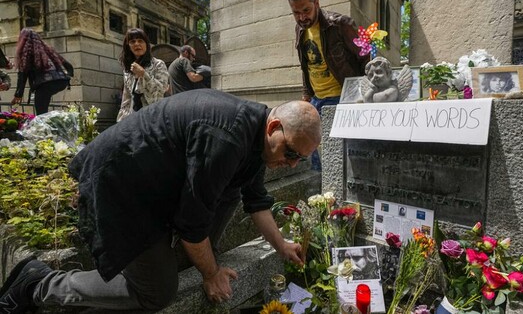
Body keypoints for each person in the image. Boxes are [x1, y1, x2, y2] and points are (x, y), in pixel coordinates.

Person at [0, 89, 321, 313]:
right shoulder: (227, 139)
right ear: (274, 126)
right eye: (291, 153)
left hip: (158, 190)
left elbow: (256, 201)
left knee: (225, 201)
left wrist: (282, 246)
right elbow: (193, 225)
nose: (292, 163)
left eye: (300, 159)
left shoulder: (258, 140)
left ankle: (143, 273)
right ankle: (40, 283)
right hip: (122, 186)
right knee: (158, 292)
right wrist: (210, 274)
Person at [286, 0, 369, 171]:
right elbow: (305, 65)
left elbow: (365, 55)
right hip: (316, 99)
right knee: (307, 144)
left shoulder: (340, 24)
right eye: (296, 13)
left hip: (342, 97)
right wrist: (306, 94)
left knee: (338, 153)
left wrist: (365, 92)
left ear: (316, 2)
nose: (301, 17)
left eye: (306, 10)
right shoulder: (300, 30)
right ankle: (320, 188)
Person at [10, 28, 74, 115]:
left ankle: (48, 126)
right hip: (61, 82)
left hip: (44, 85)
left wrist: (18, 95)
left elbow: (22, 75)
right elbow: (69, 66)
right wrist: (68, 76)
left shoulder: (25, 54)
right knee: (43, 110)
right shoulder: (48, 50)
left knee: (41, 114)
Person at [116, 28, 169, 122]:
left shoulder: (158, 64)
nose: (137, 44)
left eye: (140, 41)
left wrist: (144, 74)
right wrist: (121, 122)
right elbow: (126, 98)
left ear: (146, 44)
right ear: (128, 46)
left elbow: (162, 89)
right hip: (134, 119)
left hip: (154, 117)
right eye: (132, 41)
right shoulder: (128, 70)